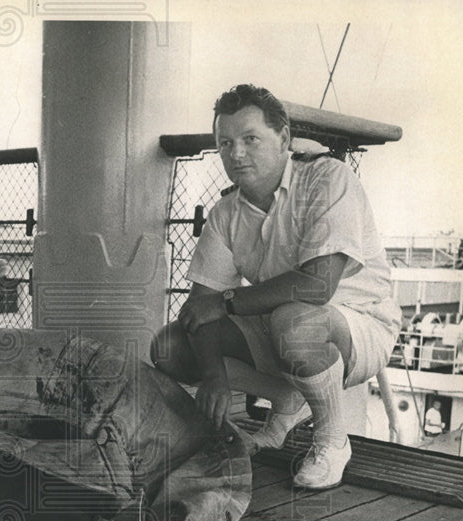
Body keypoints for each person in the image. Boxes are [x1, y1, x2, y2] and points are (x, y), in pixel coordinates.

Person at [150, 84, 401, 490]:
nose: (236, 153)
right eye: (226, 142)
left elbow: (318, 286)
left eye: (251, 139)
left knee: (295, 322)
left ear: (284, 138)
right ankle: (285, 400)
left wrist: (228, 302)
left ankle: (333, 441)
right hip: (276, 321)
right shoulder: (226, 212)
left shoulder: (327, 178)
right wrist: (213, 376)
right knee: (170, 347)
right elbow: (200, 306)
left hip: (358, 325)